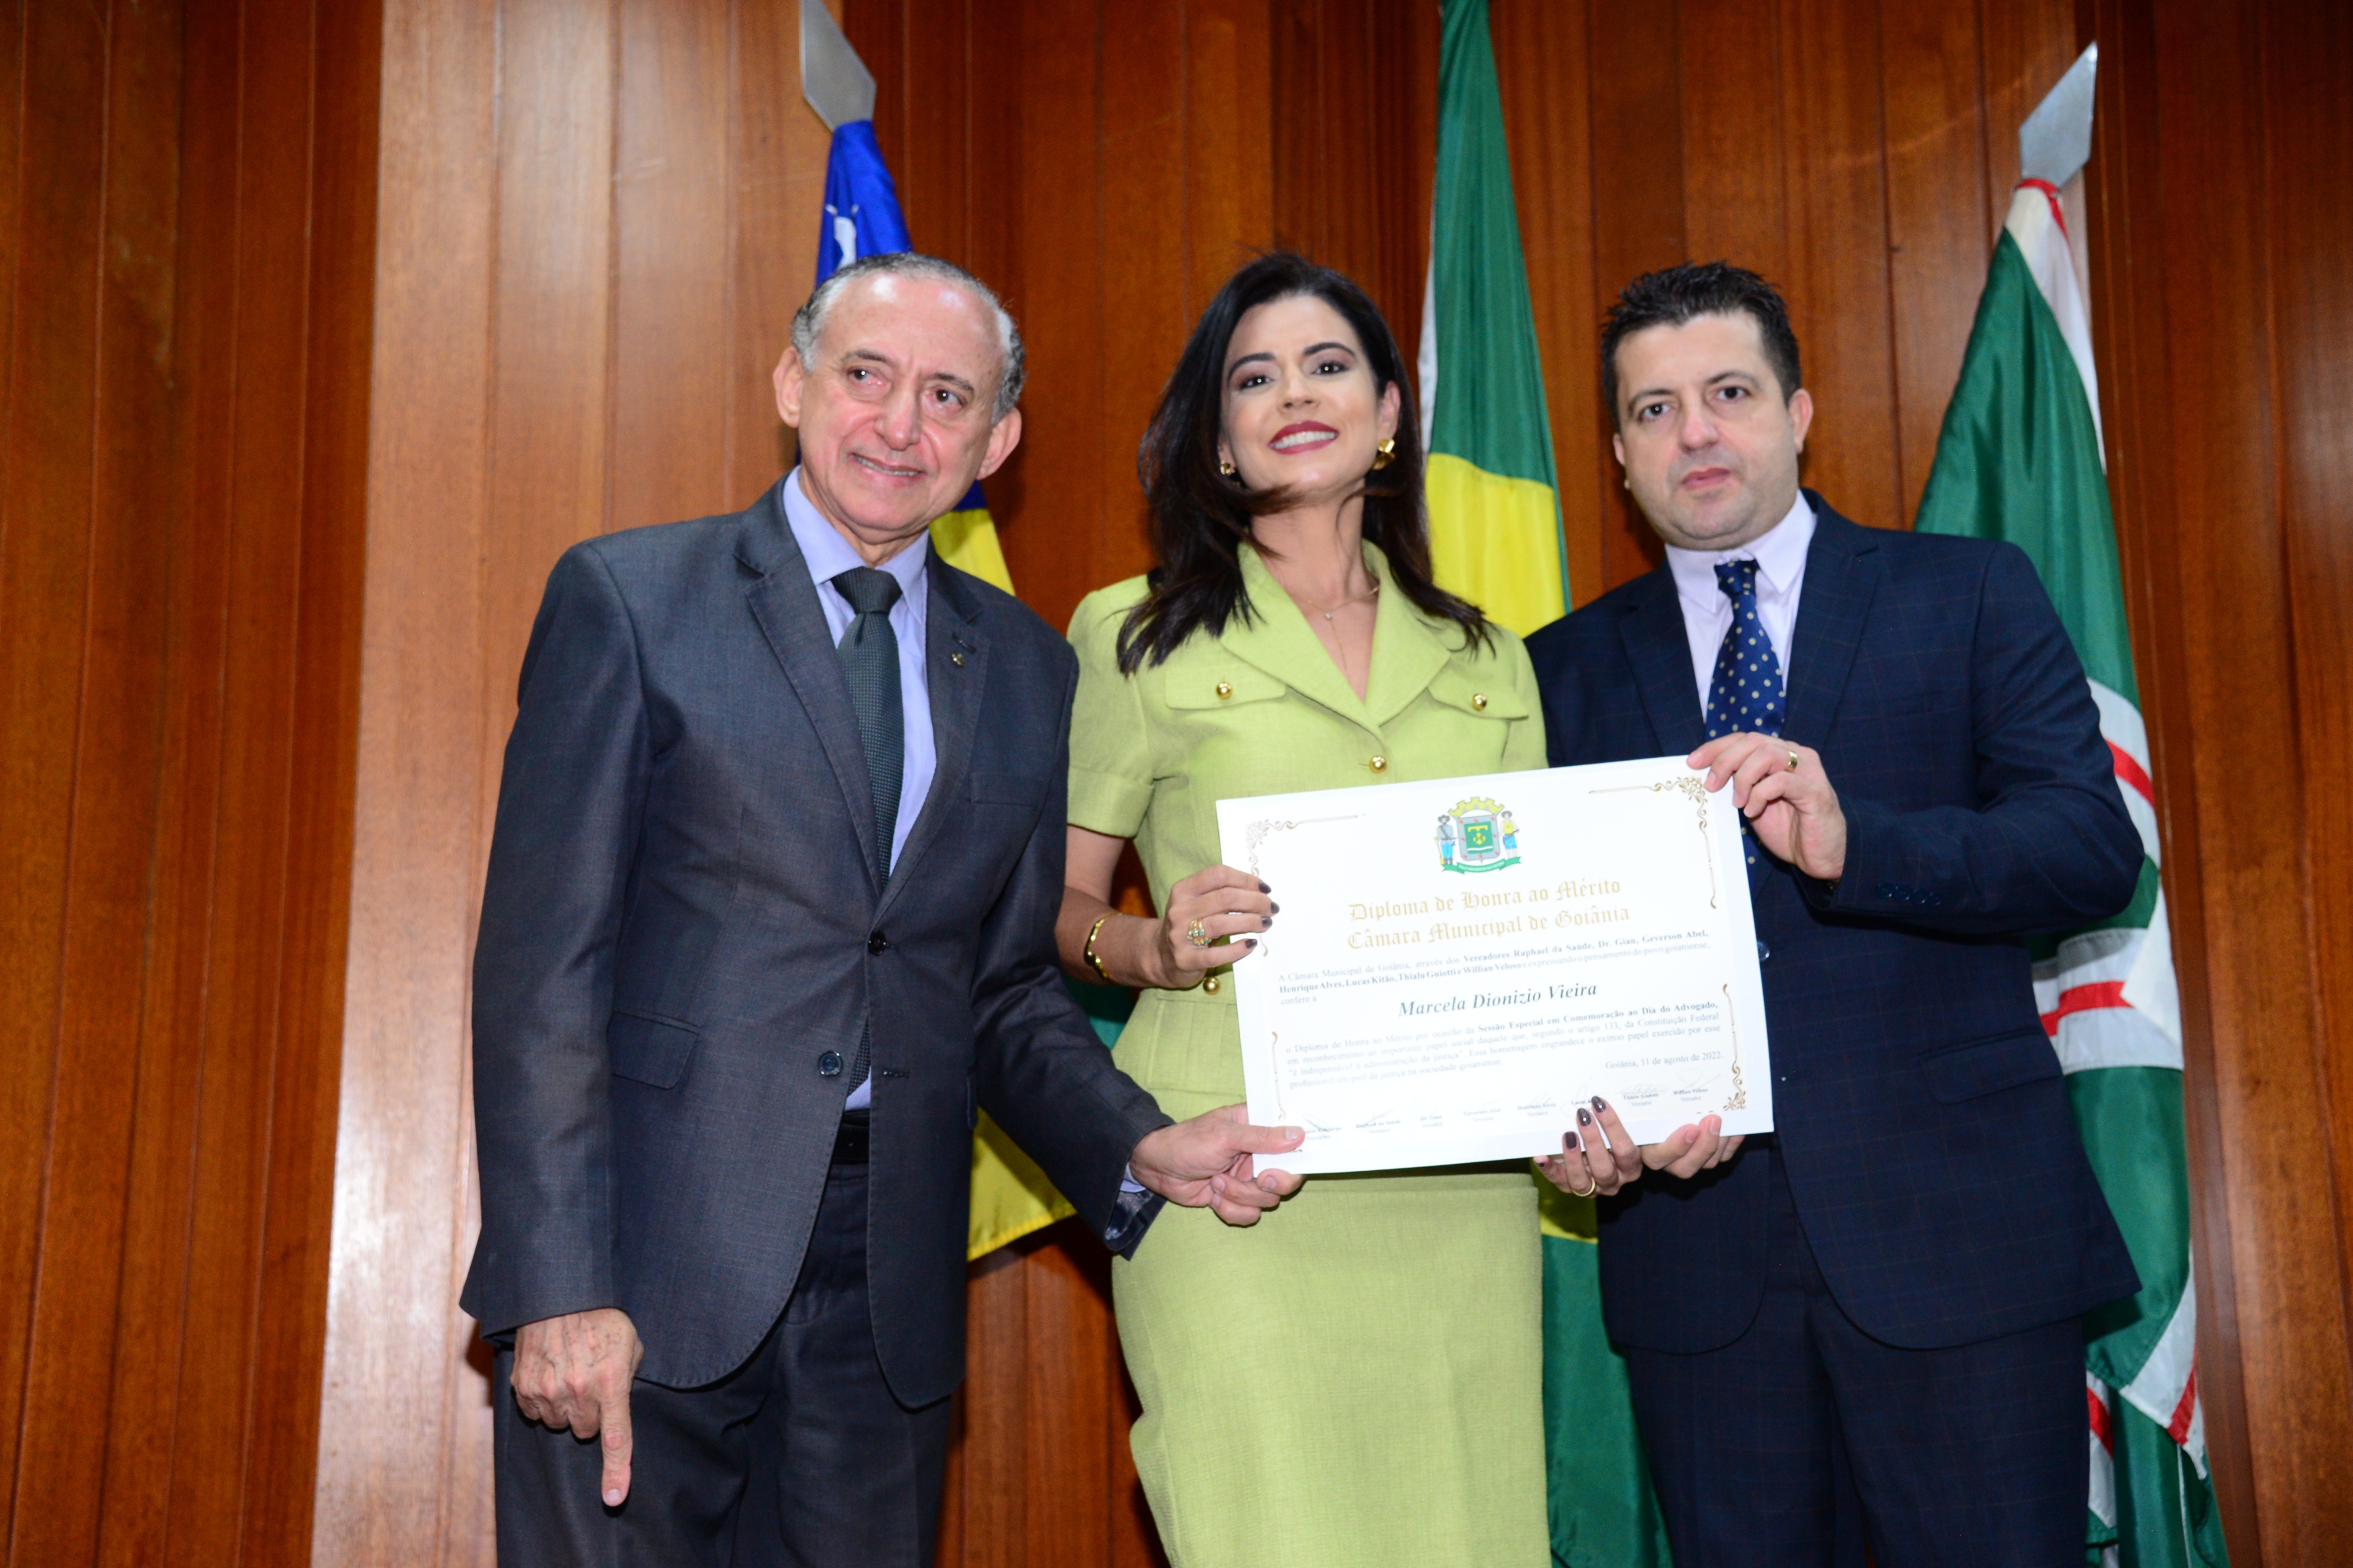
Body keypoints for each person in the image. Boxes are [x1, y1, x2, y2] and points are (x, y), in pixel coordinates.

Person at [461, 250, 1306, 1567]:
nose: (901, 424)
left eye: (948, 396)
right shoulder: (631, 600)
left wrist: (1135, 1141)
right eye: (867, 375)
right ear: (793, 384)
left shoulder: (1024, 666)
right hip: (643, 1264)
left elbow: (1002, 986)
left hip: (887, 1291)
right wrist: (559, 1280)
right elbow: (541, 974)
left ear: (996, 441)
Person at [1524, 261, 2143, 1565]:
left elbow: (2093, 851)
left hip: (1958, 1242)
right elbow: (1541, 952)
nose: (1694, 432)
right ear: (1618, 455)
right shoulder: (1554, 670)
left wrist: (1861, 845)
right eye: (1653, 410)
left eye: (1729, 393)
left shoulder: (1967, 591)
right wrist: (1564, 1124)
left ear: (1798, 413)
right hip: (1698, 1272)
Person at [1056, 252, 1578, 1567]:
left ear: (1389, 412)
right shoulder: (1131, 636)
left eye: (1327, 365)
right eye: (1255, 377)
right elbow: (1051, 910)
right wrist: (1151, 944)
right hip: (1231, 1175)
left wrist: (1583, 1107)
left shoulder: (1490, 657)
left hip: (1455, 1188)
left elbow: (1541, 926)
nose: (1293, 393)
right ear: (1219, 435)